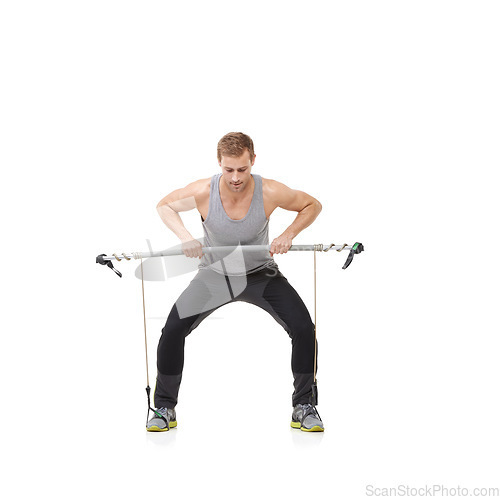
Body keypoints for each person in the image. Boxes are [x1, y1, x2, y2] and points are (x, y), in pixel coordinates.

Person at [147, 132, 324, 432]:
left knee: (303, 327)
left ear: (253, 161)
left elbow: (312, 205)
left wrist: (288, 234)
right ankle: (164, 408)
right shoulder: (203, 191)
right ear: (219, 163)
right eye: (228, 170)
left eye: (242, 169)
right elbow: (164, 205)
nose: (236, 177)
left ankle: (304, 406)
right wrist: (186, 238)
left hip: (260, 274)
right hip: (215, 274)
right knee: (173, 329)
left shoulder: (270, 191)